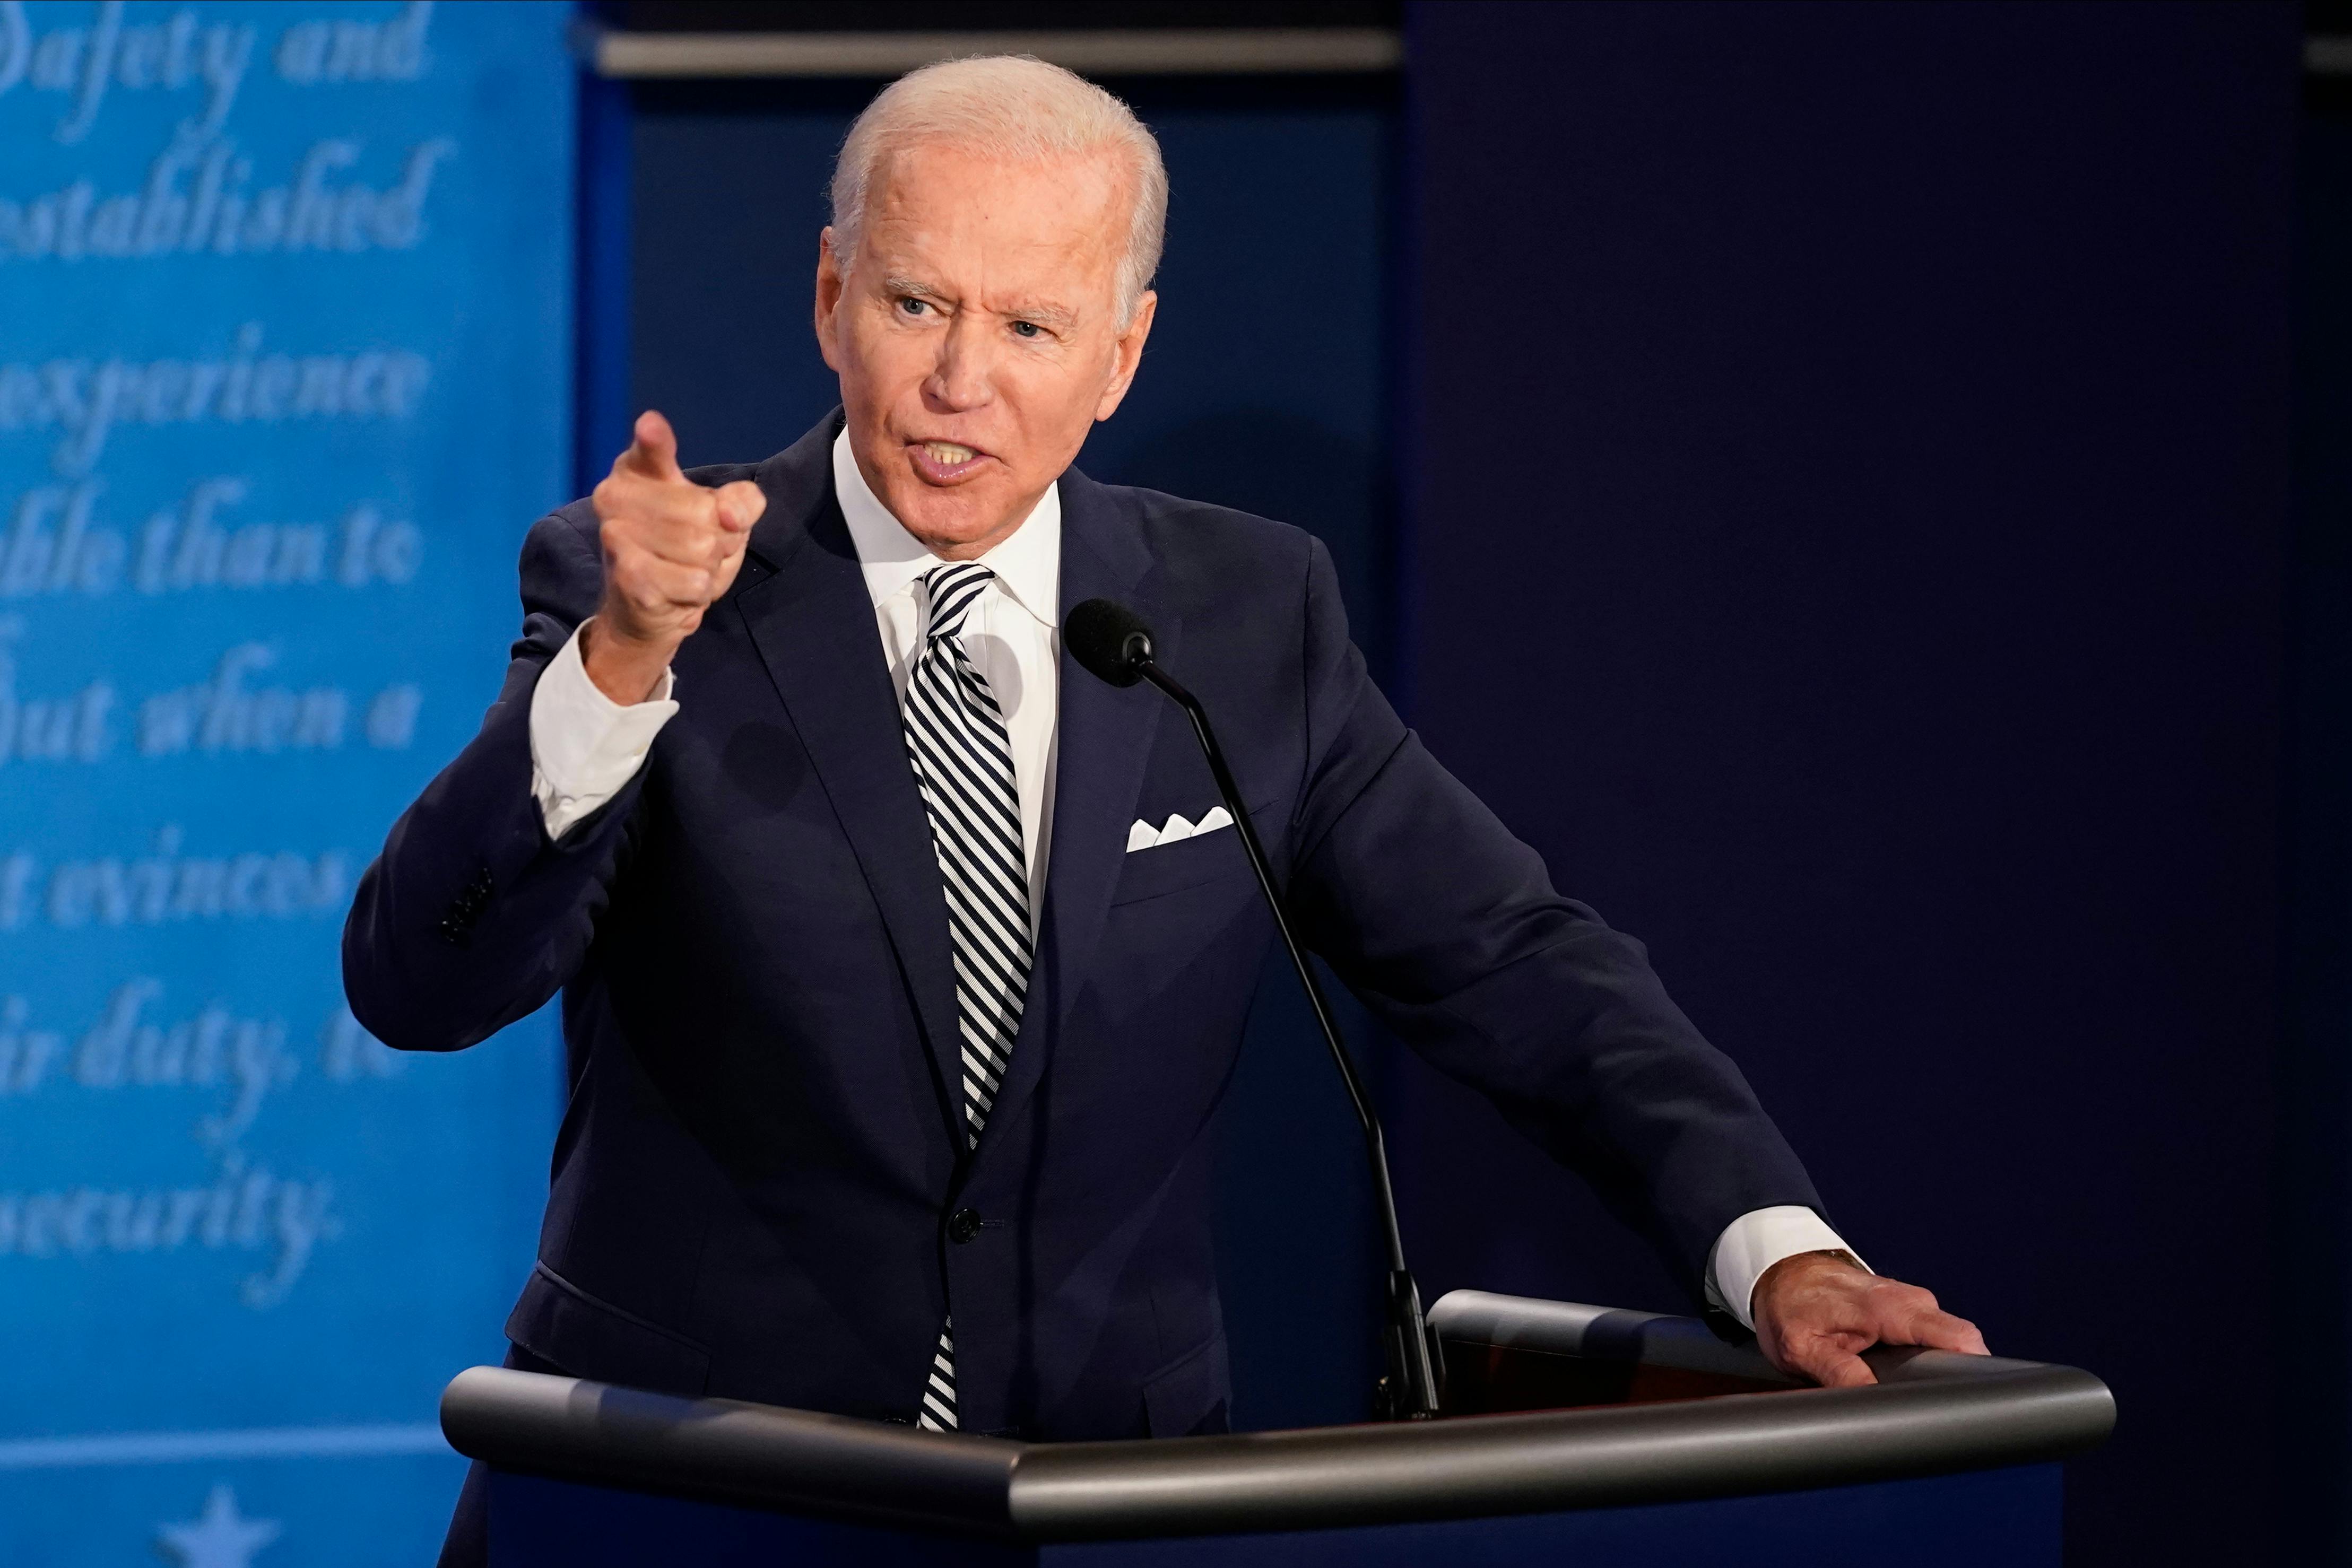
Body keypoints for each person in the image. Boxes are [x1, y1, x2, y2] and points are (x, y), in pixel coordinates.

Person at [342, 55, 1985, 1565]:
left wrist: (1774, 1249)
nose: (957, 383)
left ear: (1121, 352)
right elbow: (420, 982)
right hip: (694, 1497)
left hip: (1106, 1498)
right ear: (834, 291)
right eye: (916, 302)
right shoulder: (657, 584)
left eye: (1032, 328)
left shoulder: (1243, 616)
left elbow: (1512, 961)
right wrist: (626, 659)